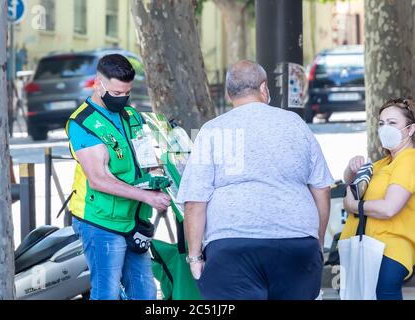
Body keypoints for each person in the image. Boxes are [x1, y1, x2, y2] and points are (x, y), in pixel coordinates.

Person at [176, 60, 334, 300]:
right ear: (264, 88)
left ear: (229, 94)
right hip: (297, 243)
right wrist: (317, 241)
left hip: (232, 245)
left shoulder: (212, 130)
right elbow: (321, 189)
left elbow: (195, 202)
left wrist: (195, 256)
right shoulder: (295, 124)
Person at [66, 54, 171, 300]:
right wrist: (148, 198)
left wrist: (158, 179)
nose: (122, 98)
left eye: (127, 93)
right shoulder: (82, 123)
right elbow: (99, 180)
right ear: (97, 85)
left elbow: (147, 159)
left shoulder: (131, 115)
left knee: (145, 293)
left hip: (133, 220)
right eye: (115, 93)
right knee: (107, 293)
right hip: (101, 222)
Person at [341, 98, 415, 300]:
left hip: (388, 251)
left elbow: (390, 208)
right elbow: (354, 184)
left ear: (410, 129)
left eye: (393, 123)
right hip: (370, 249)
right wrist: (351, 169)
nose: (385, 128)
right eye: (381, 123)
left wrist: (354, 206)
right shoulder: (383, 163)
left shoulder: (408, 159)